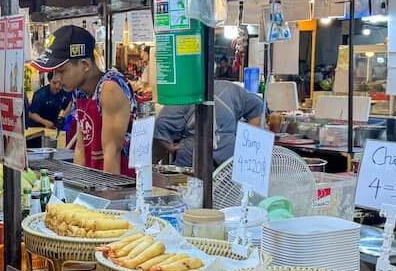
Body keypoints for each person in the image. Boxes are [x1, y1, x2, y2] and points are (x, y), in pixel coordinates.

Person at [32, 25, 134, 176]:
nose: (56, 79)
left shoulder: (110, 88)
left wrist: (108, 195)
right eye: (54, 72)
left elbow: (112, 151)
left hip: (122, 184)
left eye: (61, 71)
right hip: (95, 180)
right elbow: (81, 147)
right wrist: (78, 188)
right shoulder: (79, 91)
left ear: (85, 65)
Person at [154, 80, 265, 167]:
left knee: (189, 192)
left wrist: (171, 147)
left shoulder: (186, 93)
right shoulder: (231, 88)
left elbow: (161, 123)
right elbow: (258, 105)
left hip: (193, 155)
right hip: (229, 158)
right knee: (228, 191)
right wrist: (247, 142)